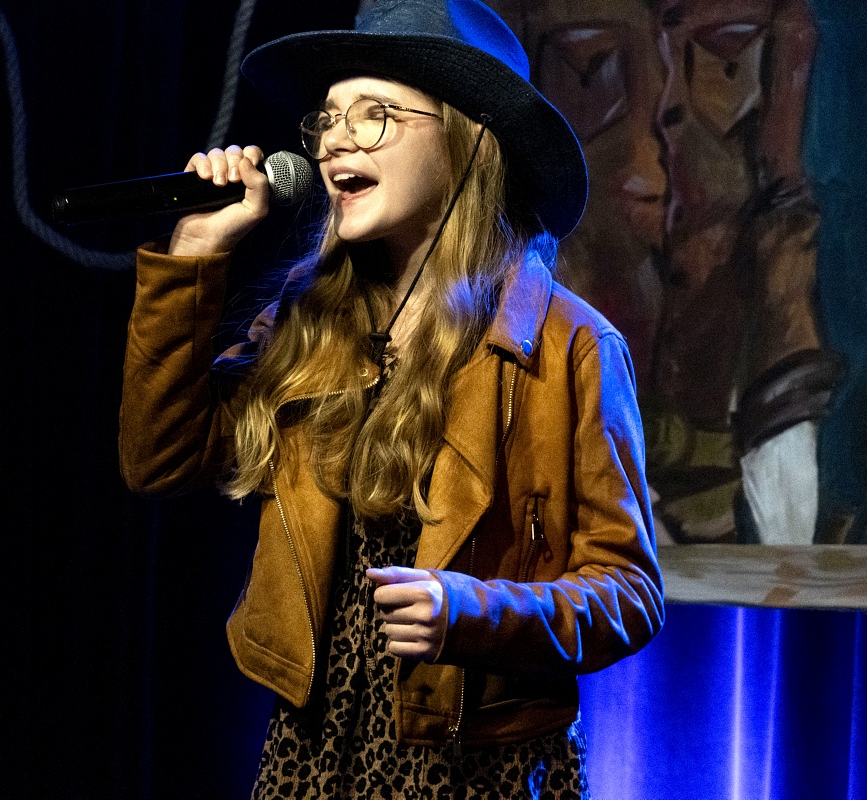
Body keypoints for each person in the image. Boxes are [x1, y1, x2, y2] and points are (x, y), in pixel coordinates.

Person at [119, 0, 665, 796]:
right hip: (313, 755)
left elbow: (630, 590)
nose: (335, 140)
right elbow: (159, 459)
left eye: (374, 115)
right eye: (327, 119)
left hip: (478, 766)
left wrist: (476, 613)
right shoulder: (308, 321)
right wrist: (192, 258)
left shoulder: (570, 346)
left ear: (467, 140)